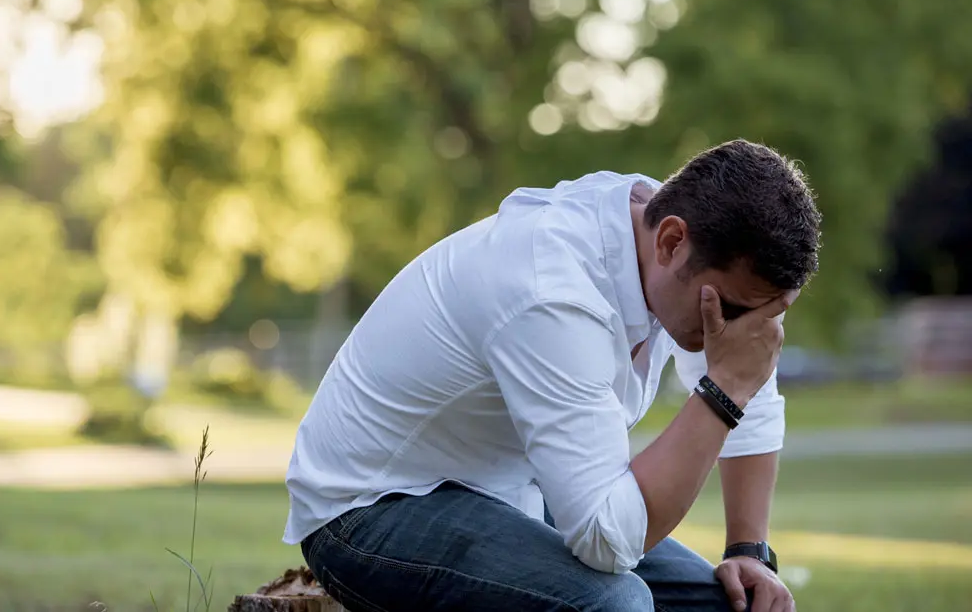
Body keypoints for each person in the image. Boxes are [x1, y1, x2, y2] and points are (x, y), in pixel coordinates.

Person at [283, 140, 821, 612]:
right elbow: (607, 540)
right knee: (614, 605)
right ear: (671, 242)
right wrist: (722, 392)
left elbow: (754, 382)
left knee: (726, 604)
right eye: (732, 310)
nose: (738, 333)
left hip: (505, 488)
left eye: (762, 318)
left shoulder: (678, 242)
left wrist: (748, 552)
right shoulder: (553, 288)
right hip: (368, 509)